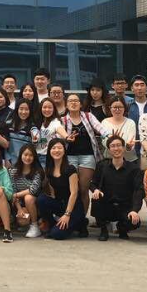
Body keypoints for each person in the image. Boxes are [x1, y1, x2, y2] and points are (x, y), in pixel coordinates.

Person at [90, 135, 143, 241]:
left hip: (124, 206)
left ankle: (122, 228)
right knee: (96, 198)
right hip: (107, 205)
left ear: (123, 148)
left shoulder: (134, 169)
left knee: (134, 222)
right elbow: (92, 183)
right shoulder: (102, 166)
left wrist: (134, 210)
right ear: (109, 150)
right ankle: (103, 230)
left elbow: (139, 190)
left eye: (119, 145)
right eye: (113, 146)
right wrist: (95, 190)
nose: (116, 148)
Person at [62, 93, 105, 222]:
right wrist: (66, 138)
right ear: (66, 105)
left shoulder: (88, 116)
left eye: (76, 101)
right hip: (69, 157)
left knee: (83, 189)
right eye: (70, 101)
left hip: (88, 156)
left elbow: (100, 128)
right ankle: (71, 216)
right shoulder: (63, 120)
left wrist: (110, 136)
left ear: (80, 104)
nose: (73, 103)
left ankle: (82, 219)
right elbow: (57, 137)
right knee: (72, 190)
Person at [37, 138, 85, 240]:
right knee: (41, 199)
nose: (56, 150)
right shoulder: (49, 170)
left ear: (64, 150)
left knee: (56, 234)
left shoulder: (70, 169)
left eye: (60, 148)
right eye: (53, 148)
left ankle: (80, 223)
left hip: (73, 207)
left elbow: (74, 193)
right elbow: (52, 193)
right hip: (61, 204)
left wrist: (67, 215)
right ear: (49, 151)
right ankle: (52, 225)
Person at [9, 144, 43, 238]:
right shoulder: (13, 170)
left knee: (28, 197)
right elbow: (12, 191)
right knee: (22, 221)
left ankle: (35, 225)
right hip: (20, 203)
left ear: (34, 157)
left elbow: (33, 190)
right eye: (25, 154)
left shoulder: (38, 171)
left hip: (35, 202)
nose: (28, 158)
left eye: (31, 155)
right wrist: (19, 209)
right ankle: (27, 224)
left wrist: (17, 194)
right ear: (21, 155)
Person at [100, 96, 137, 164]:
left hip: (128, 161)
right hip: (109, 160)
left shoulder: (130, 122)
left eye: (120, 107)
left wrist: (128, 147)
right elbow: (103, 142)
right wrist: (112, 140)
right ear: (110, 108)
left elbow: (131, 143)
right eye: (114, 107)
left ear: (124, 108)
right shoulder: (104, 122)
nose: (117, 109)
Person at [6, 99, 38, 166]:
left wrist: (35, 140)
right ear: (17, 109)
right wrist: (7, 158)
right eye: (21, 109)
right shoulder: (8, 124)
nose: (23, 112)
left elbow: (36, 138)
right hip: (9, 162)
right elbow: (4, 144)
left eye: (26, 109)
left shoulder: (32, 127)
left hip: (25, 163)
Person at [35, 98, 66, 167]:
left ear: (54, 109)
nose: (47, 110)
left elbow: (59, 129)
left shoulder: (56, 121)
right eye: (44, 107)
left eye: (50, 107)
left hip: (48, 157)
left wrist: (67, 137)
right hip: (35, 156)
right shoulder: (37, 121)